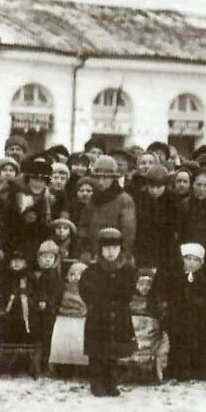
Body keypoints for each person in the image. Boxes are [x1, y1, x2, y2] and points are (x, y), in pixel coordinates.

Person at [80, 227, 136, 396]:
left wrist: (118, 300)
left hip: (119, 314)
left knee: (114, 353)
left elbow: (129, 291)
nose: (111, 252)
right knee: (97, 352)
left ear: (120, 249)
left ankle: (111, 382)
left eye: (114, 248)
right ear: (100, 250)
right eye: (107, 248)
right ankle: (97, 383)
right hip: (98, 316)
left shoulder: (126, 270)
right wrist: (96, 302)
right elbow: (85, 290)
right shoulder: (92, 271)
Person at [78, 157, 137, 262]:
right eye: (98, 178)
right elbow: (83, 226)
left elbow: (128, 233)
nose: (100, 182)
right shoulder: (92, 200)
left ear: (113, 179)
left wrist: (116, 254)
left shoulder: (124, 200)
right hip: (94, 256)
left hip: (115, 257)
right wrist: (85, 250)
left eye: (105, 178)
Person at [166, 243, 206, 380]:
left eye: (196, 260)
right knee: (179, 343)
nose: (191, 263)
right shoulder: (175, 277)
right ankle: (178, 370)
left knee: (196, 343)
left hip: (197, 318)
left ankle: (196, 370)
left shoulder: (203, 280)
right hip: (178, 317)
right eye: (188, 258)